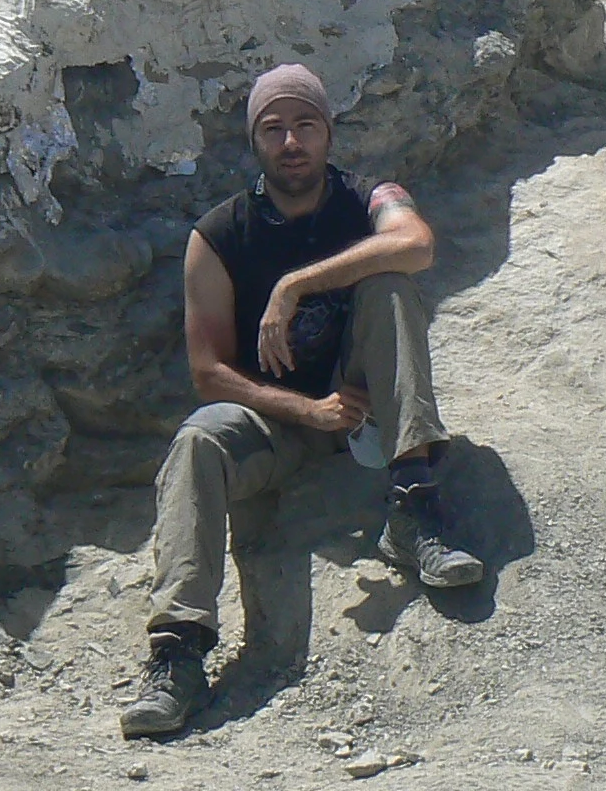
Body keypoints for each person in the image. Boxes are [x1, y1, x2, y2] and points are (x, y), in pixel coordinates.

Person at [118, 65, 484, 740]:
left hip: (366, 403)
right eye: (274, 129)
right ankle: (179, 652)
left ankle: (415, 506)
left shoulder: (367, 197)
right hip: (279, 419)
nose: (292, 141)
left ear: (328, 131)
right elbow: (208, 372)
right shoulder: (220, 234)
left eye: (305, 125)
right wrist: (305, 412)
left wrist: (294, 284)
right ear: (255, 142)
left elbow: (417, 244)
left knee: (393, 286)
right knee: (199, 437)